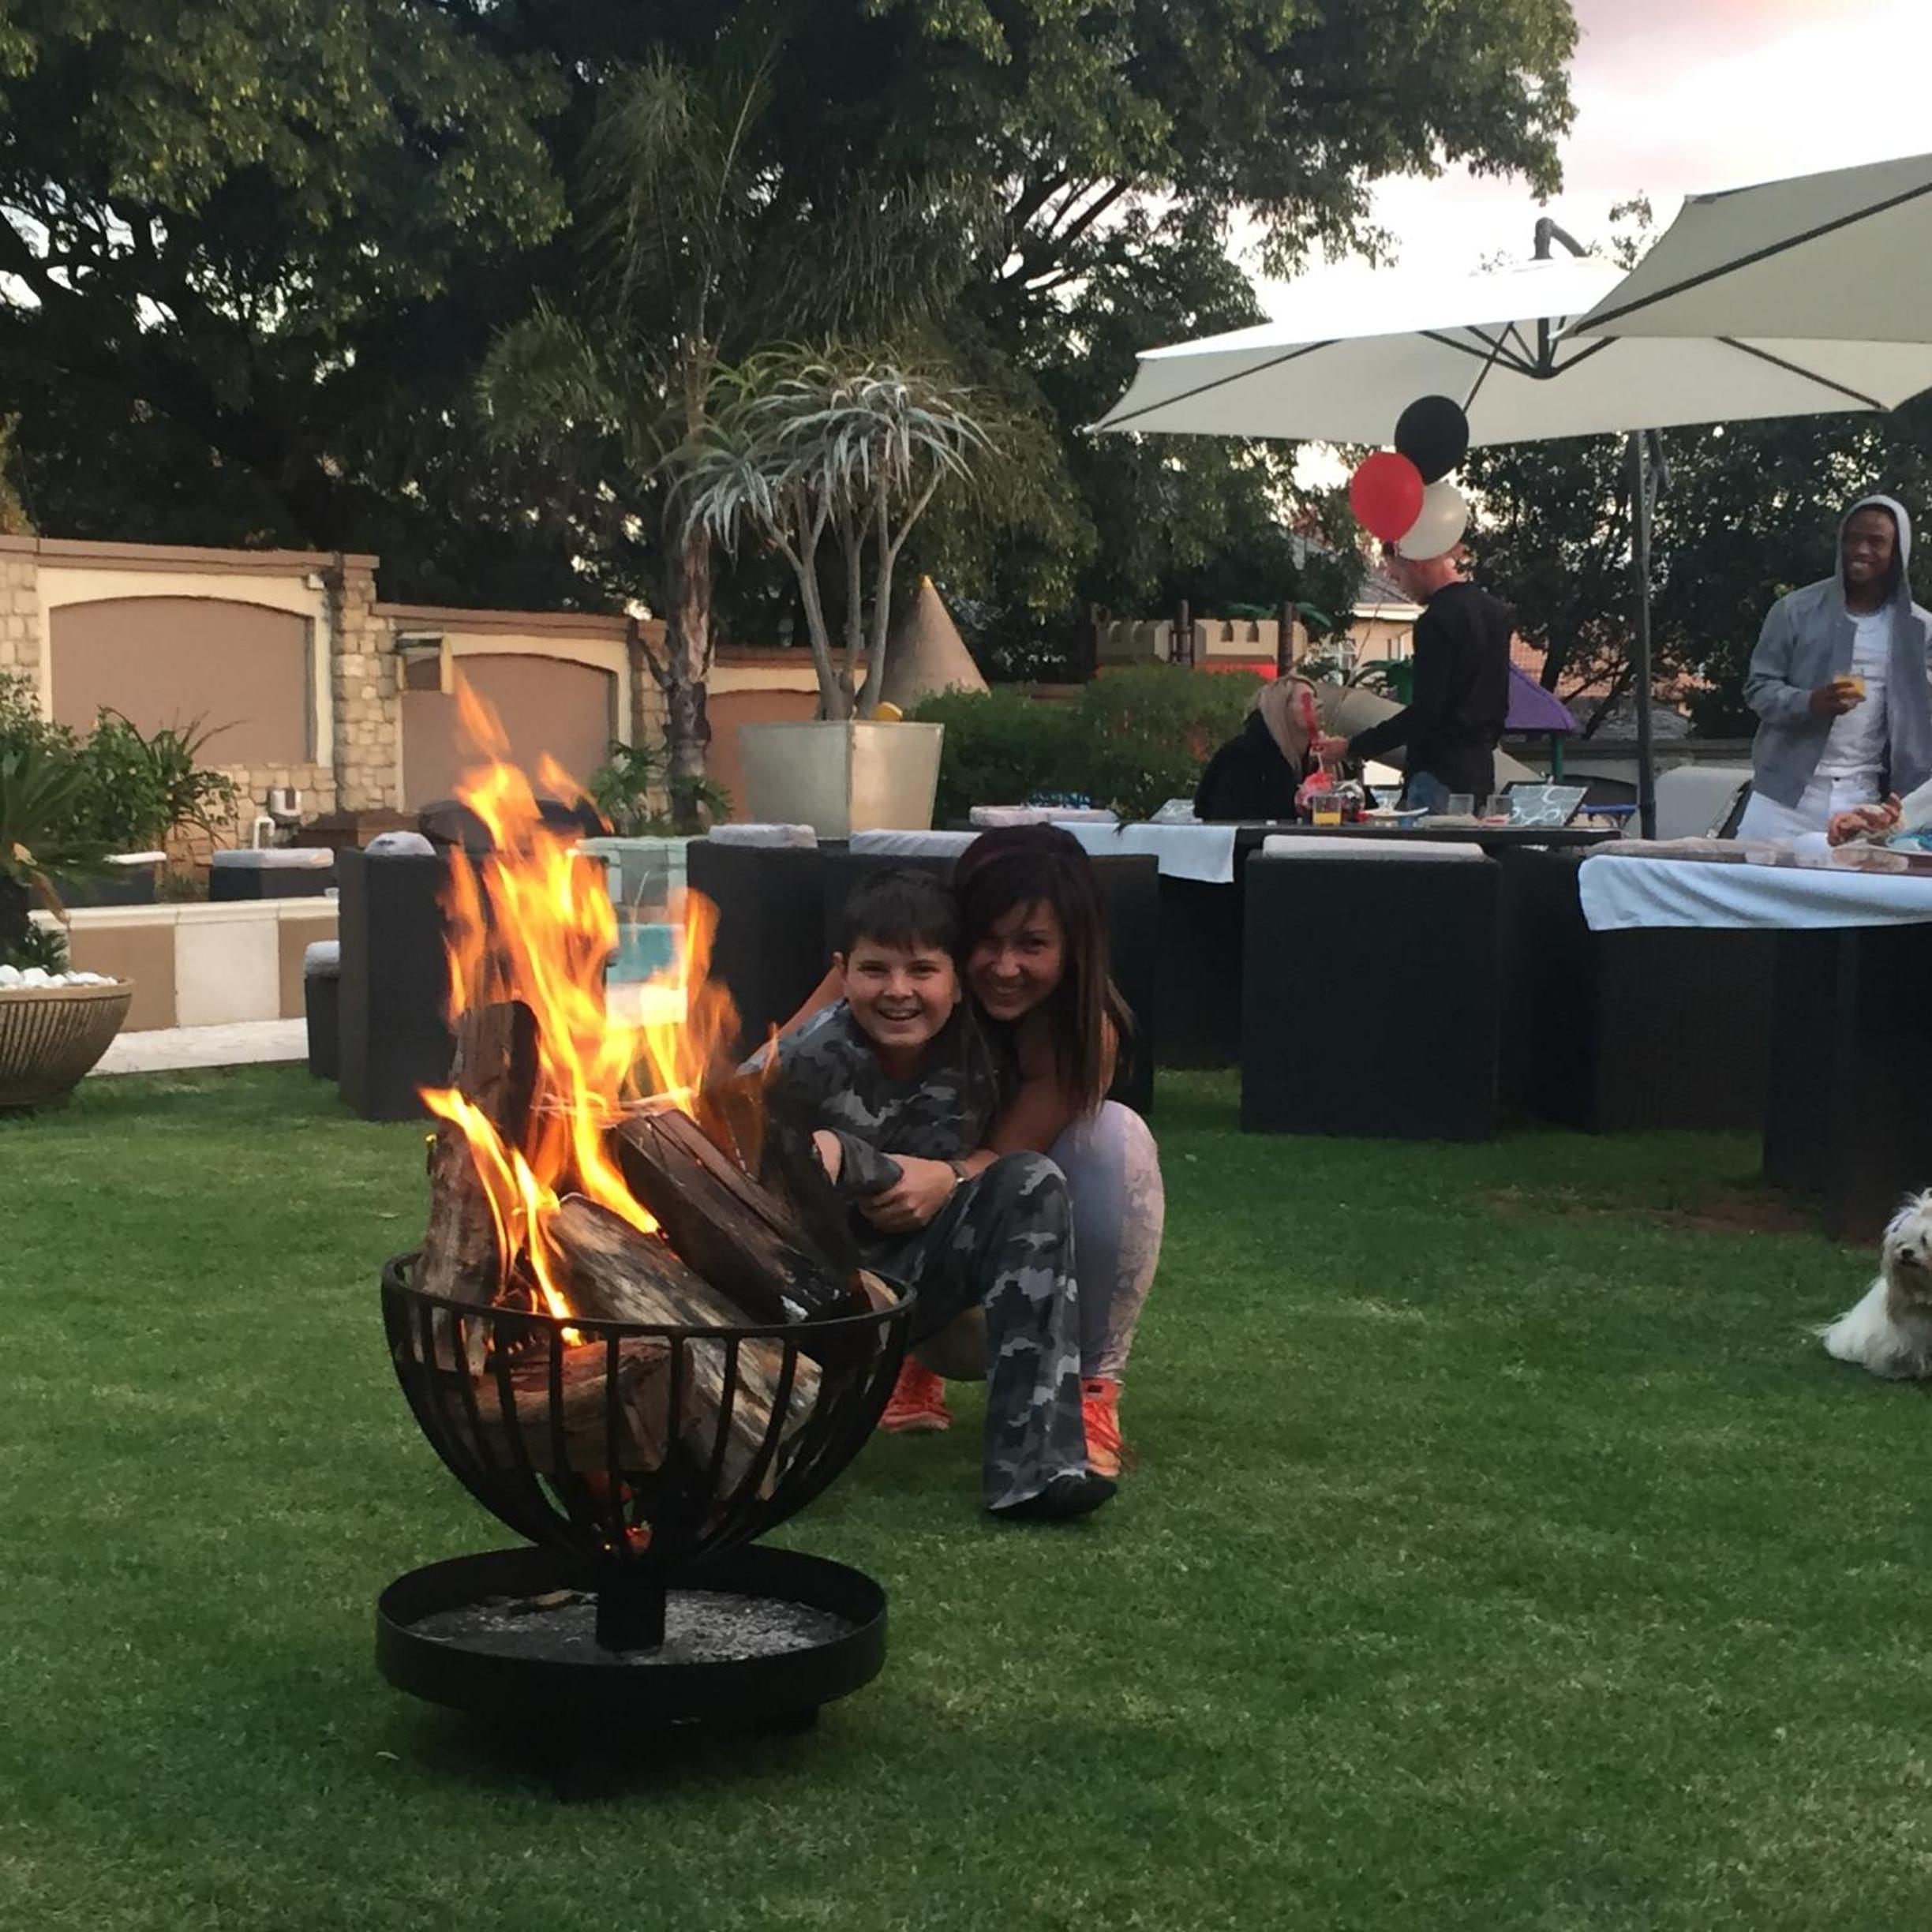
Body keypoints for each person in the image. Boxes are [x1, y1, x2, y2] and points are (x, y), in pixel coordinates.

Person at [766, 868, 1114, 1522]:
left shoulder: (983, 1043)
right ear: (843, 973)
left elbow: (1017, 1134)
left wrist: (943, 1177)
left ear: (957, 982)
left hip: (922, 1269)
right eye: (875, 970)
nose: (899, 991)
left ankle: (1038, 1471)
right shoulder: (808, 1057)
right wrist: (840, 1157)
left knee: (1032, 1179)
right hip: (813, 1294)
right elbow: (725, 1142)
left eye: (923, 970)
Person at [886, 826, 1163, 1479]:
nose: (1004, 967)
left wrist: (943, 1177)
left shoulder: (1082, 1033)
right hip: (900, 1283)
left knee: (1111, 1136)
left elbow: (1007, 1165)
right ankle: (901, 1364)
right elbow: (783, 1060)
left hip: (1012, 1294)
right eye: (986, 940)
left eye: (1032, 945)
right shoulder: (899, 975)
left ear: (1073, 948)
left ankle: (1090, 1390)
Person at [1735, 495, 1932, 841]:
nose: (1861, 549)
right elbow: (1758, 688)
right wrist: (1808, 702)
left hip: (1863, 801)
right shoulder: (1794, 610)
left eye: (1876, 541)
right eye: (1852, 539)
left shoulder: (1921, 630)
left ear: (1897, 551)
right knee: (1753, 875)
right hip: (1782, 798)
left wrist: (1910, 802)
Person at [1342, 542, 1512, 810]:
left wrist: (1355, 746)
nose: (1400, 587)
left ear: (1416, 563)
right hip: (1481, 768)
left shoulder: (1436, 621)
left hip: (1437, 771)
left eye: (1397, 576)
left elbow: (1425, 712)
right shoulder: (1495, 613)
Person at [1193, 674, 1323, 821]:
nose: (1319, 704)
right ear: (1282, 710)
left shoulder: (1314, 759)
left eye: (1316, 698)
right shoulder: (1245, 756)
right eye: (1307, 700)